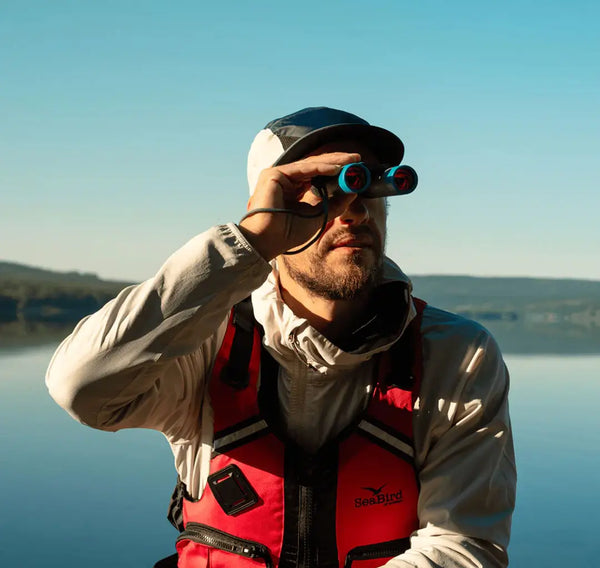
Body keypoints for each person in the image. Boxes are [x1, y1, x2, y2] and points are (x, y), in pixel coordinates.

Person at [46, 107, 516, 568]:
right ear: (267, 202)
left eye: (368, 184)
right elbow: (82, 389)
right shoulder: (207, 338)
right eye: (322, 190)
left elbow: (464, 544)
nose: (353, 211)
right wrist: (250, 242)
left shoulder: (456, 354)